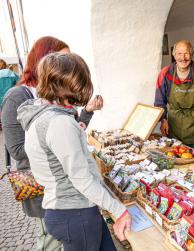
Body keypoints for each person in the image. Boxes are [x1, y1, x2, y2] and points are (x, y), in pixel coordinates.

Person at [18, 52, 131, 250]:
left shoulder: (41, 113)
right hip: (75, 214)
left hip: (68, 210)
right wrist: (118, 210)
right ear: (67, 83)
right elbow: (81, 179)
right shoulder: (59, 122)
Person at [1, 36, 103, 250]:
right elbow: (17, 150)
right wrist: (58, 146)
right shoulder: (17, 96)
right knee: (50, 242)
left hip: (68, 187)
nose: (69, 64)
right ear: (43, 60)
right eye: (63, 58)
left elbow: (73, 129)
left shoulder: (59, 92)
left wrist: (87, 113)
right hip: (43, 187)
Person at [154, 40, 194, 149]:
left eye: (186, 53)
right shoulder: (165, 74)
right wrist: (163, 120)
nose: (183, 58)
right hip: (173, 130)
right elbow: (159, 102)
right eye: (179, 53)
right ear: (174, 55)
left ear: (191, 55)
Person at [0, 59, 19, 129]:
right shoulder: (11, 73)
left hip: (1, 100)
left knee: (3, 115)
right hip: (12, 97)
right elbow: (19, 83)